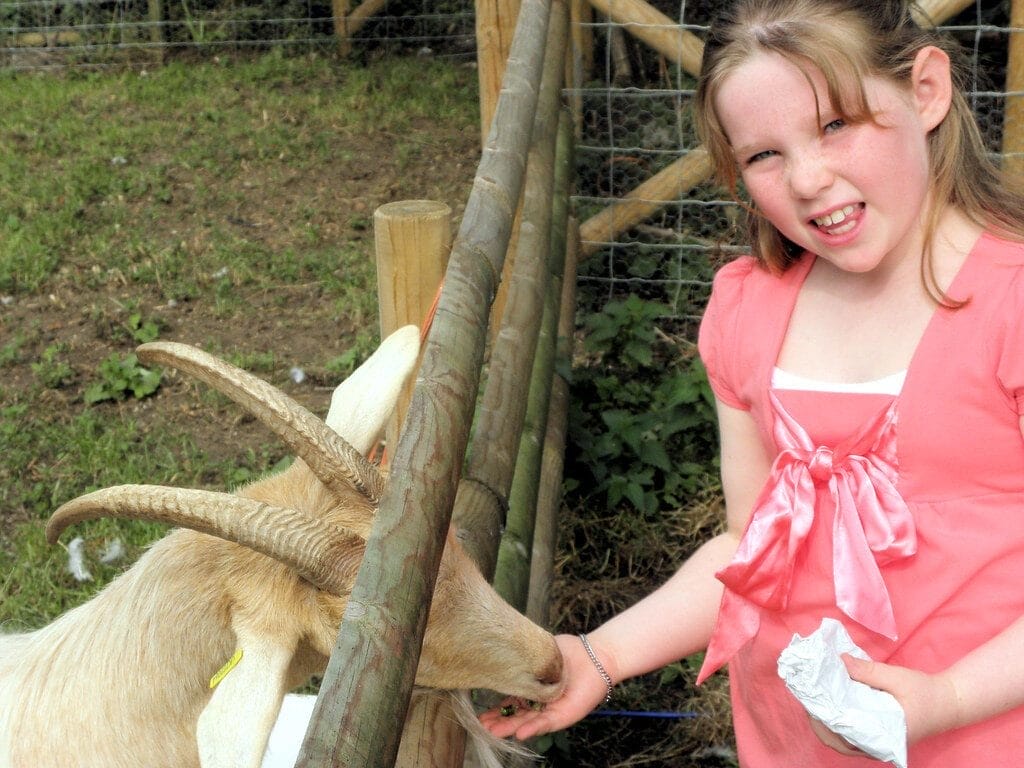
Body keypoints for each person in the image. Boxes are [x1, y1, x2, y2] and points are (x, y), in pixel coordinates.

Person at [480, 1, 1024, 764]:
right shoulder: (749, 309)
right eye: (765, 155)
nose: (808, 178)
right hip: (794, 738)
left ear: (926, 90)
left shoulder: (1012, 303)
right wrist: (599, 656)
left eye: (836, 125)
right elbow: (749, 544)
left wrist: (950, 698)